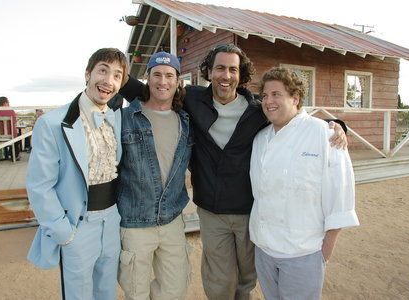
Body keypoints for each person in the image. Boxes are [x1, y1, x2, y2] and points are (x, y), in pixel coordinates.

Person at [118, 44, 347, 299]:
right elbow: (151, 91)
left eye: (232, 69)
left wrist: (333, 125)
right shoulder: (191, 99)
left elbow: (289, 114)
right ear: (210, 71)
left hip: (248, 210)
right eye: (219, 68)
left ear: (241, 74)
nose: (225, 75)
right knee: (219, 280)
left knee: (246, 277)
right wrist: (117, 75)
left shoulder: (257, 108)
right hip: (212, 208)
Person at [249, 67, 359, 299]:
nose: (268, 101)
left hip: (303, 252)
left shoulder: (324, 134)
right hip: (264, 249)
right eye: (265, 96)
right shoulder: (260, 139)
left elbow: (340, 196)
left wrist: (323, 254)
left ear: (296, 98)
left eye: (276, 94)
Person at [26, 48, 128, 299]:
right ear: (87, 74)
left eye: (117, 76)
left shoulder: (116, 117)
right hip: (77, 226)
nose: (108, 81)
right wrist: (64, 232)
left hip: (112, 220)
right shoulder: (52, 123)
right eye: (102, 70)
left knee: (106, 292)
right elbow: (39, 186)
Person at [117, 52, 193, 300]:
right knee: (136, 293)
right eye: (157, 75)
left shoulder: (185, 121)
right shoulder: (125, 118)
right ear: (147, 78)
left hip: (172, 219)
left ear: (178, 81)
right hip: (135, 222)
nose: (163, 81)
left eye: (169, 75)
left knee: (174, 290)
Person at [0, 96, 20, 160]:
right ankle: (13, 155)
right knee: (18, 136)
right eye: (8, 103)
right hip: (10, 137)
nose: (9, 104)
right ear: (5, 103)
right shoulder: (11, 111)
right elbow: (14, 124)